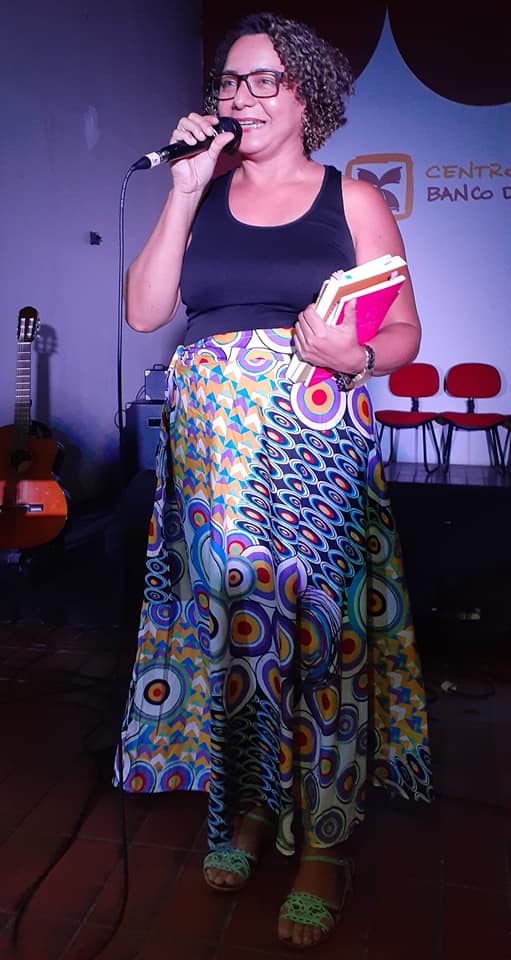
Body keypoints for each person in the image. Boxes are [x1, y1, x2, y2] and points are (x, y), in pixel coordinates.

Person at [115, 10, 432, 950]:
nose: (240, 97)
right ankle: (247, 813)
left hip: (312, 446)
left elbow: (404, 333)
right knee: (234, 643)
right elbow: (144, 313)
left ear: (306, 98)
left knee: (322, 641)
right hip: (211, 457)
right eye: (229, 80)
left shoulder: (353, 199)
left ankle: (323, 846)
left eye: (264, 80)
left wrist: (352, 354)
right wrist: (182, 190)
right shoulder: (201, 193)